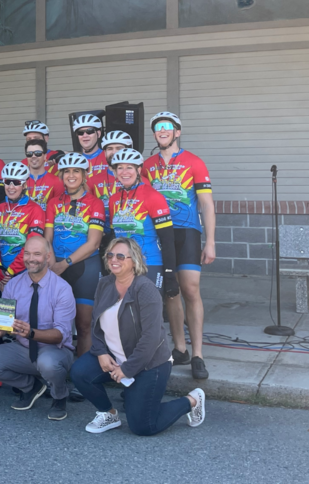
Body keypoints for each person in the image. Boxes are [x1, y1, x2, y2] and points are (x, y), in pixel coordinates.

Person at [70, 238, 206, 435]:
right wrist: (100, 352)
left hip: (150, 364)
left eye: (120, 256)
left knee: (143, 426)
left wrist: (127, 369)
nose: (113, 260)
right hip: (116, 356)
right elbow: (96, 324)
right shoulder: (104, 284)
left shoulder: (146, 289)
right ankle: (108, 413)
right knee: (80, 372)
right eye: (110, 255)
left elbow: (150, 339)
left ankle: (191, 401)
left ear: (133, 261)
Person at [142, 112, 216, 381]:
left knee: (190, 288)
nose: (162, 131)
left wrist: (210, 241)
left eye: (167, 127)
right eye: (157, 128)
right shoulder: (147, 165)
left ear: (177, 132)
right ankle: (180, 348)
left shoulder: (194, 162)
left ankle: (198, 354)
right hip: (159, 232)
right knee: (170, 291)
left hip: (187, 232)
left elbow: (206, 204)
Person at [0, 237, 76, 421]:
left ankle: (59, 396)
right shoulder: (13, 285)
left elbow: (60, 335)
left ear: (48, 257)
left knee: (48, 363)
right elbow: (4, 324)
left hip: (55, 351)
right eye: (27, 253)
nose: (31, 259)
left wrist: (31, 332)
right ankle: (30, 387)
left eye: (37, 254)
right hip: (23, 348)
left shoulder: (62, 289)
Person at [44, 153, 106, 357]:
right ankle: (58, 365)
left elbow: (94, 242)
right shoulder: (53, 203)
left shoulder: (95, 203)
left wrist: (65, 264)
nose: (71, 175)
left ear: (84, 175)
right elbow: (48, 238)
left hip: (84, 267)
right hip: (56, 265)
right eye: (67, 171)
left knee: (84, 324)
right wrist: (53, 264)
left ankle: (80, 373)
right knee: (54, 321)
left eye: (76, 171)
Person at [107, 149, 179, 299]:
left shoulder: (153, 196)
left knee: (149, 315)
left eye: (129, 167)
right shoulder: (114, 199)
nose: (124, 172)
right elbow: (114, 237)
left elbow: (167, 239)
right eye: (120, 167)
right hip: (123, 264)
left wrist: (170, 274)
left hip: (150, 263)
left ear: (139, 169)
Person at [92, 130, 134, 255]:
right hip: (102, 238)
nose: (114, 152)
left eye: (119, 148)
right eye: (109, 148)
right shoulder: (92, 181)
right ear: (104, 152)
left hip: (131, 239)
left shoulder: (141, 180)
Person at [23, 138, 64, 211]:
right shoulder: (19, 181)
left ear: (45, 156)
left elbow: (59, 210)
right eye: (29, 154)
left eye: (38, 153)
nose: (33, 156)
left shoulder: (57, 182)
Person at [72, 114, 107, 187]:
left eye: (89, 131)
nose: (85, 135)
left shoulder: (109, 157)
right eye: (80, 133)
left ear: (98, 134)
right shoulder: (72, 160)